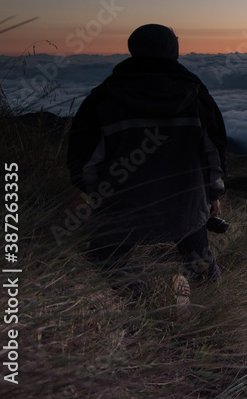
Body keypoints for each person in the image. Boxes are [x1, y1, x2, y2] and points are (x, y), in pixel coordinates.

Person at [66, 24, 227, 287]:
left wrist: (101, 192)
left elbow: (82, 162)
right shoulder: (197, 97)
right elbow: (214, 155)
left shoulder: (103, 98)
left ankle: (134, 303)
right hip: (186, 207)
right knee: (202, 266)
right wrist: (212, 195)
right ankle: (212, 309)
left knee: (103, 267)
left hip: (120, 208)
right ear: (174, 50)